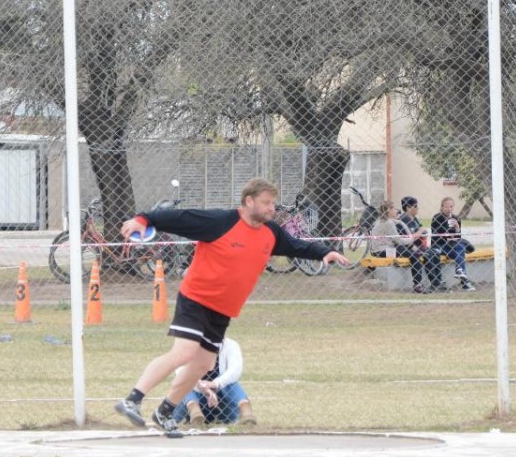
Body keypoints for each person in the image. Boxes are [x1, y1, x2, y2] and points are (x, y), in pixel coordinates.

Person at [114, 178, 349, 438]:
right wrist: (143, 220)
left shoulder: (271, 232)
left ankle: (165, 411)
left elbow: (296, 245)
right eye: (266, 203)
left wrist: (323, 252)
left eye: (273, 203)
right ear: (249, 201)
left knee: (203, 363)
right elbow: (178, 217)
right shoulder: (221, 222)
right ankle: (132, 399)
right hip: (196, 299)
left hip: (223, 309)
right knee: (184, 353)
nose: (272, 208)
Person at [172, 337, 256, 426]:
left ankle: (245, 410)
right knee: (184, 381)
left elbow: (235, 371)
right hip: (192, 402)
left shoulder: (231, 345)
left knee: (229, 380)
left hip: (221, 405)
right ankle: (194, 410)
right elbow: (181, 371)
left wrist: (215, 384)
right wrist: (204, 388)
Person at [398, 196, 443, 293]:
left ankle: (438, 282)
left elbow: (422, 231)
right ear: (408, 207)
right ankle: (434, 283)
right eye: (415, 205)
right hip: (409, 247)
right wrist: (420, 231)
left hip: (419, 246)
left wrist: (422, 232)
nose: (418, 207)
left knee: (435, 253)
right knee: (428, 255)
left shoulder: (414, 218)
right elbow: (410, 238)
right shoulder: (404, 219)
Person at [430, 197, 476, 291]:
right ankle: (464, 282)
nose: (449, 209)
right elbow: (435, 237)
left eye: (451, 206)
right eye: (446, 206)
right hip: (439, 245)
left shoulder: (456, 218)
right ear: (442, 207)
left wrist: (457, 229)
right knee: (461, 249)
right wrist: (447, 235)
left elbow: (458, 238)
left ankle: (460, 271)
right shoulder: (437, 218)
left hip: (451, 246)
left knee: (460, 247)